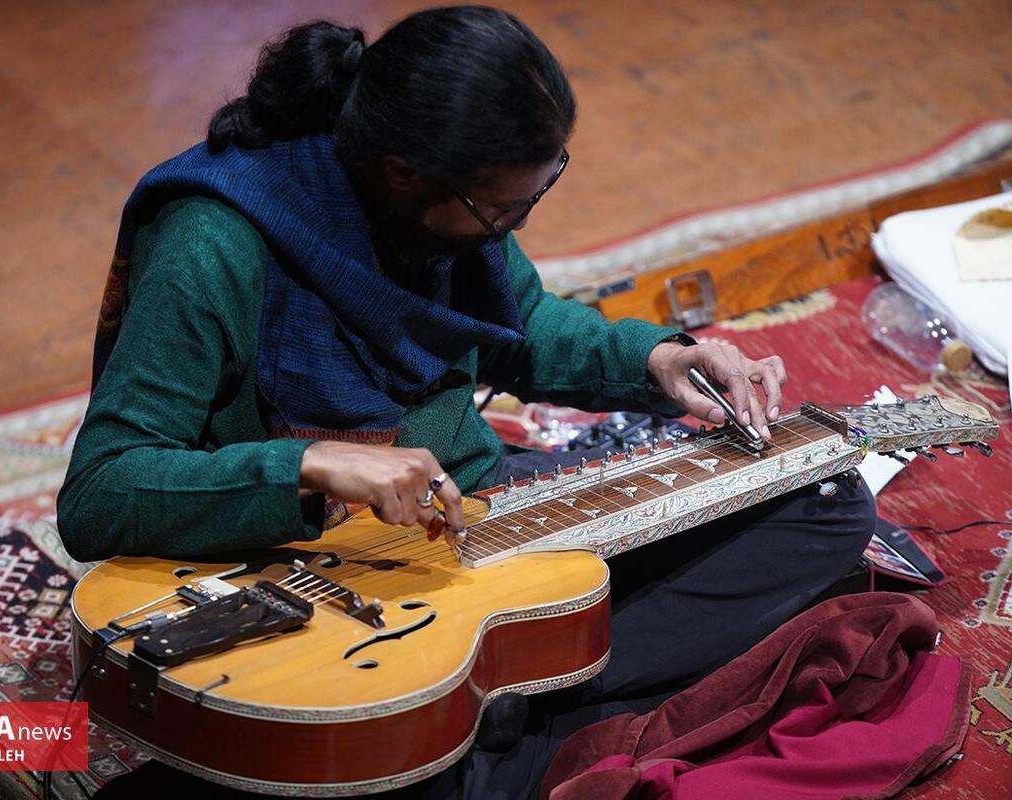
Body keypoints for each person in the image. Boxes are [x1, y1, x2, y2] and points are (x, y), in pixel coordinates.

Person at [58, 6, 875, 798]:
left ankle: (481, 718)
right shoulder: (212, 243)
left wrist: (657, 359)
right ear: (403, 173)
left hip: (472, 519)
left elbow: (518, 324)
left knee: (829, 505)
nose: (511, 225)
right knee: (402, 740)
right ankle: (482, 730)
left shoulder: (444, 209)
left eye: (535, 194)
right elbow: (101, 493)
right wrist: (307, 465)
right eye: (501, 208)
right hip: (305, 570)